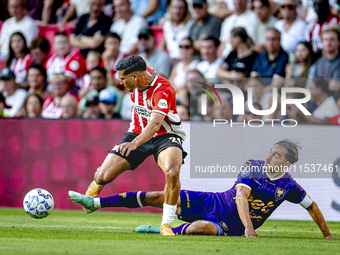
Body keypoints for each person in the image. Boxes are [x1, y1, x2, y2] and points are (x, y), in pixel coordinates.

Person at [69, 140, 339, 239]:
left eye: (276, 155)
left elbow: (312, 206)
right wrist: (250, 228)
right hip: (214, 202)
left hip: (228, 226)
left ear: (287, 163)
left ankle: (164, 231)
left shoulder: (289, 186)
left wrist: (327, 235)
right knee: (157, 196)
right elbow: (241, 197)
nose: (269, 157)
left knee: (201, 228)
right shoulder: (252, 166)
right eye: (270, 152)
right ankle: (95, 203)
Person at [75, 55, 187, 236]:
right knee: (103, 175)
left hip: (165, 135)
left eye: (122, 79)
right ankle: (90, 198)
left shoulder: (163, 89)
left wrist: (135, 144)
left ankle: (166, 224)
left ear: (135, 77)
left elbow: (155, 124)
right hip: (136, 132)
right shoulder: (142, 72)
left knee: (172, 171)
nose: (120, 83)